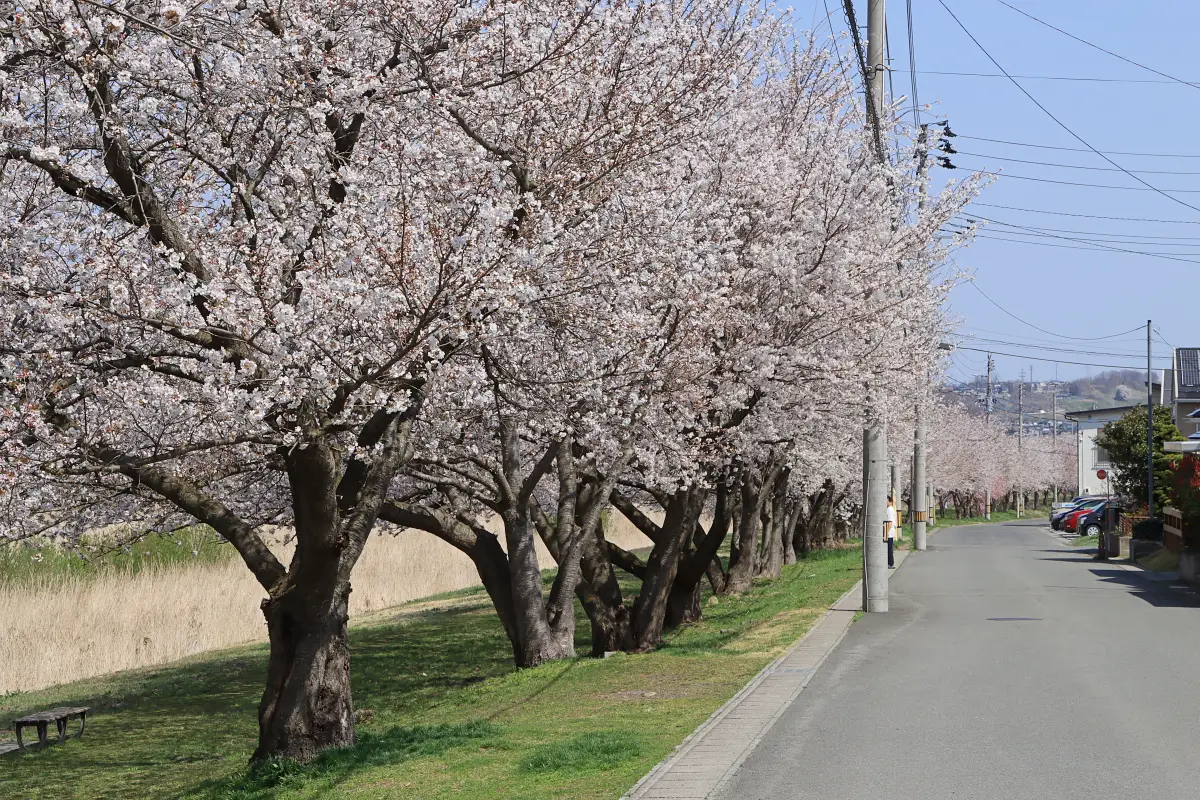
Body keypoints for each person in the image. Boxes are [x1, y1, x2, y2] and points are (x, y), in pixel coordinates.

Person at [885, 495, 897, 568]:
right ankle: (890, 563)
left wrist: (886, 532)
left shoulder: (889, 509)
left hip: (889, 532)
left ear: (890, 501)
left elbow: (890, 522)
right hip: (891, 531)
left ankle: (890, 563)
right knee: (889, 548)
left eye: (886, 500)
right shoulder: (891, 509)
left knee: (889, 548)